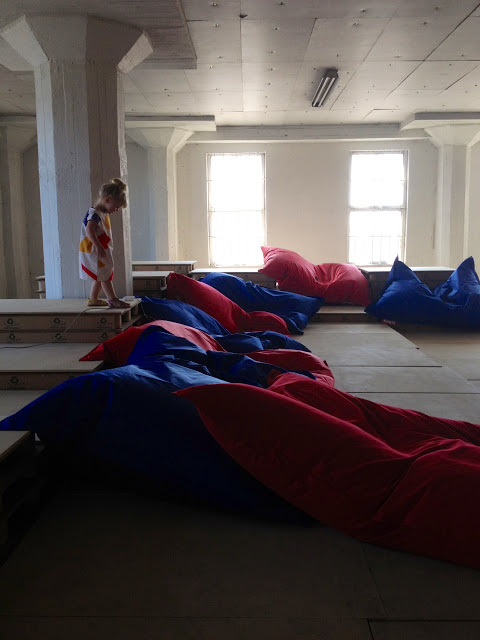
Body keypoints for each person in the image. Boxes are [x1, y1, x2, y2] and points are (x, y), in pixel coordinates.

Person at [79, 177, 130, 308]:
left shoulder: (101, 213)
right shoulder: (94, 214)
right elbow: (89, 229)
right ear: (107, 200)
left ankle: (93, 298)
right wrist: (98, 246)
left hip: (101, 247)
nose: (116, 210)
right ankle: (112, 299)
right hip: (95, 249)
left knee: (101, 274)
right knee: (105, 274)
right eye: (116, 207)